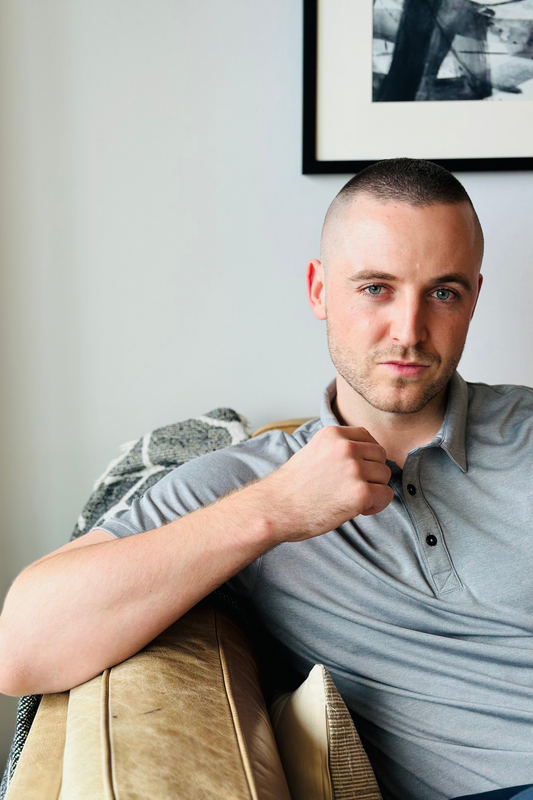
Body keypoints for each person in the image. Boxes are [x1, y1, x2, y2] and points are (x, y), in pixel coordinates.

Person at [1, 158, 533, 800]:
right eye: (375, 288)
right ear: (318, 290)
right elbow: (23, 645)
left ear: (473, 297)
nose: (409, 331)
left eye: (442, 293)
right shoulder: (249, 481)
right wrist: (276, 510)